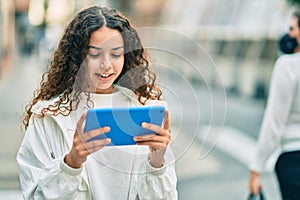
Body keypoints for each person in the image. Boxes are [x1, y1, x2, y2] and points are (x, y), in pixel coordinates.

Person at [17, 6, 178, 200]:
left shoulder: (144, 108)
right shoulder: (48, 117)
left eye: (116, 54)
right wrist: (71, 163)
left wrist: (157, 163)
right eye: (94, 54)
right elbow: (35, 195)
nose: (106, 65)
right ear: (76, 57)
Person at [248, 10, 300, 199]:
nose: (290, 34)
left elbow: (274, 124)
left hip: (294, 160)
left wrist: (256, 168)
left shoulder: (287, 65)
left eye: (293, 28)